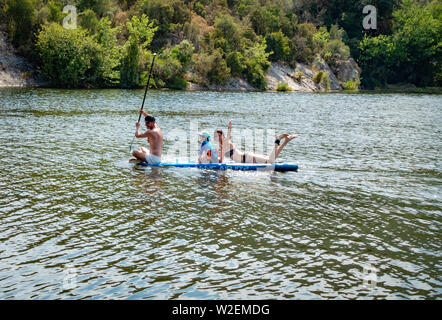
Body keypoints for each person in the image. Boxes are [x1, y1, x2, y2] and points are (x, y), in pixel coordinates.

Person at [215, 120, 297, 164]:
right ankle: (286, 141)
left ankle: (278, 139)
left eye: (218, 136)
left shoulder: (225, 142)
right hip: (246, 157)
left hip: (247, 158)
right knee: (272, 158)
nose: (218, 138)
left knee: (270, 161)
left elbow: (221, 159)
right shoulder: (224, 143)